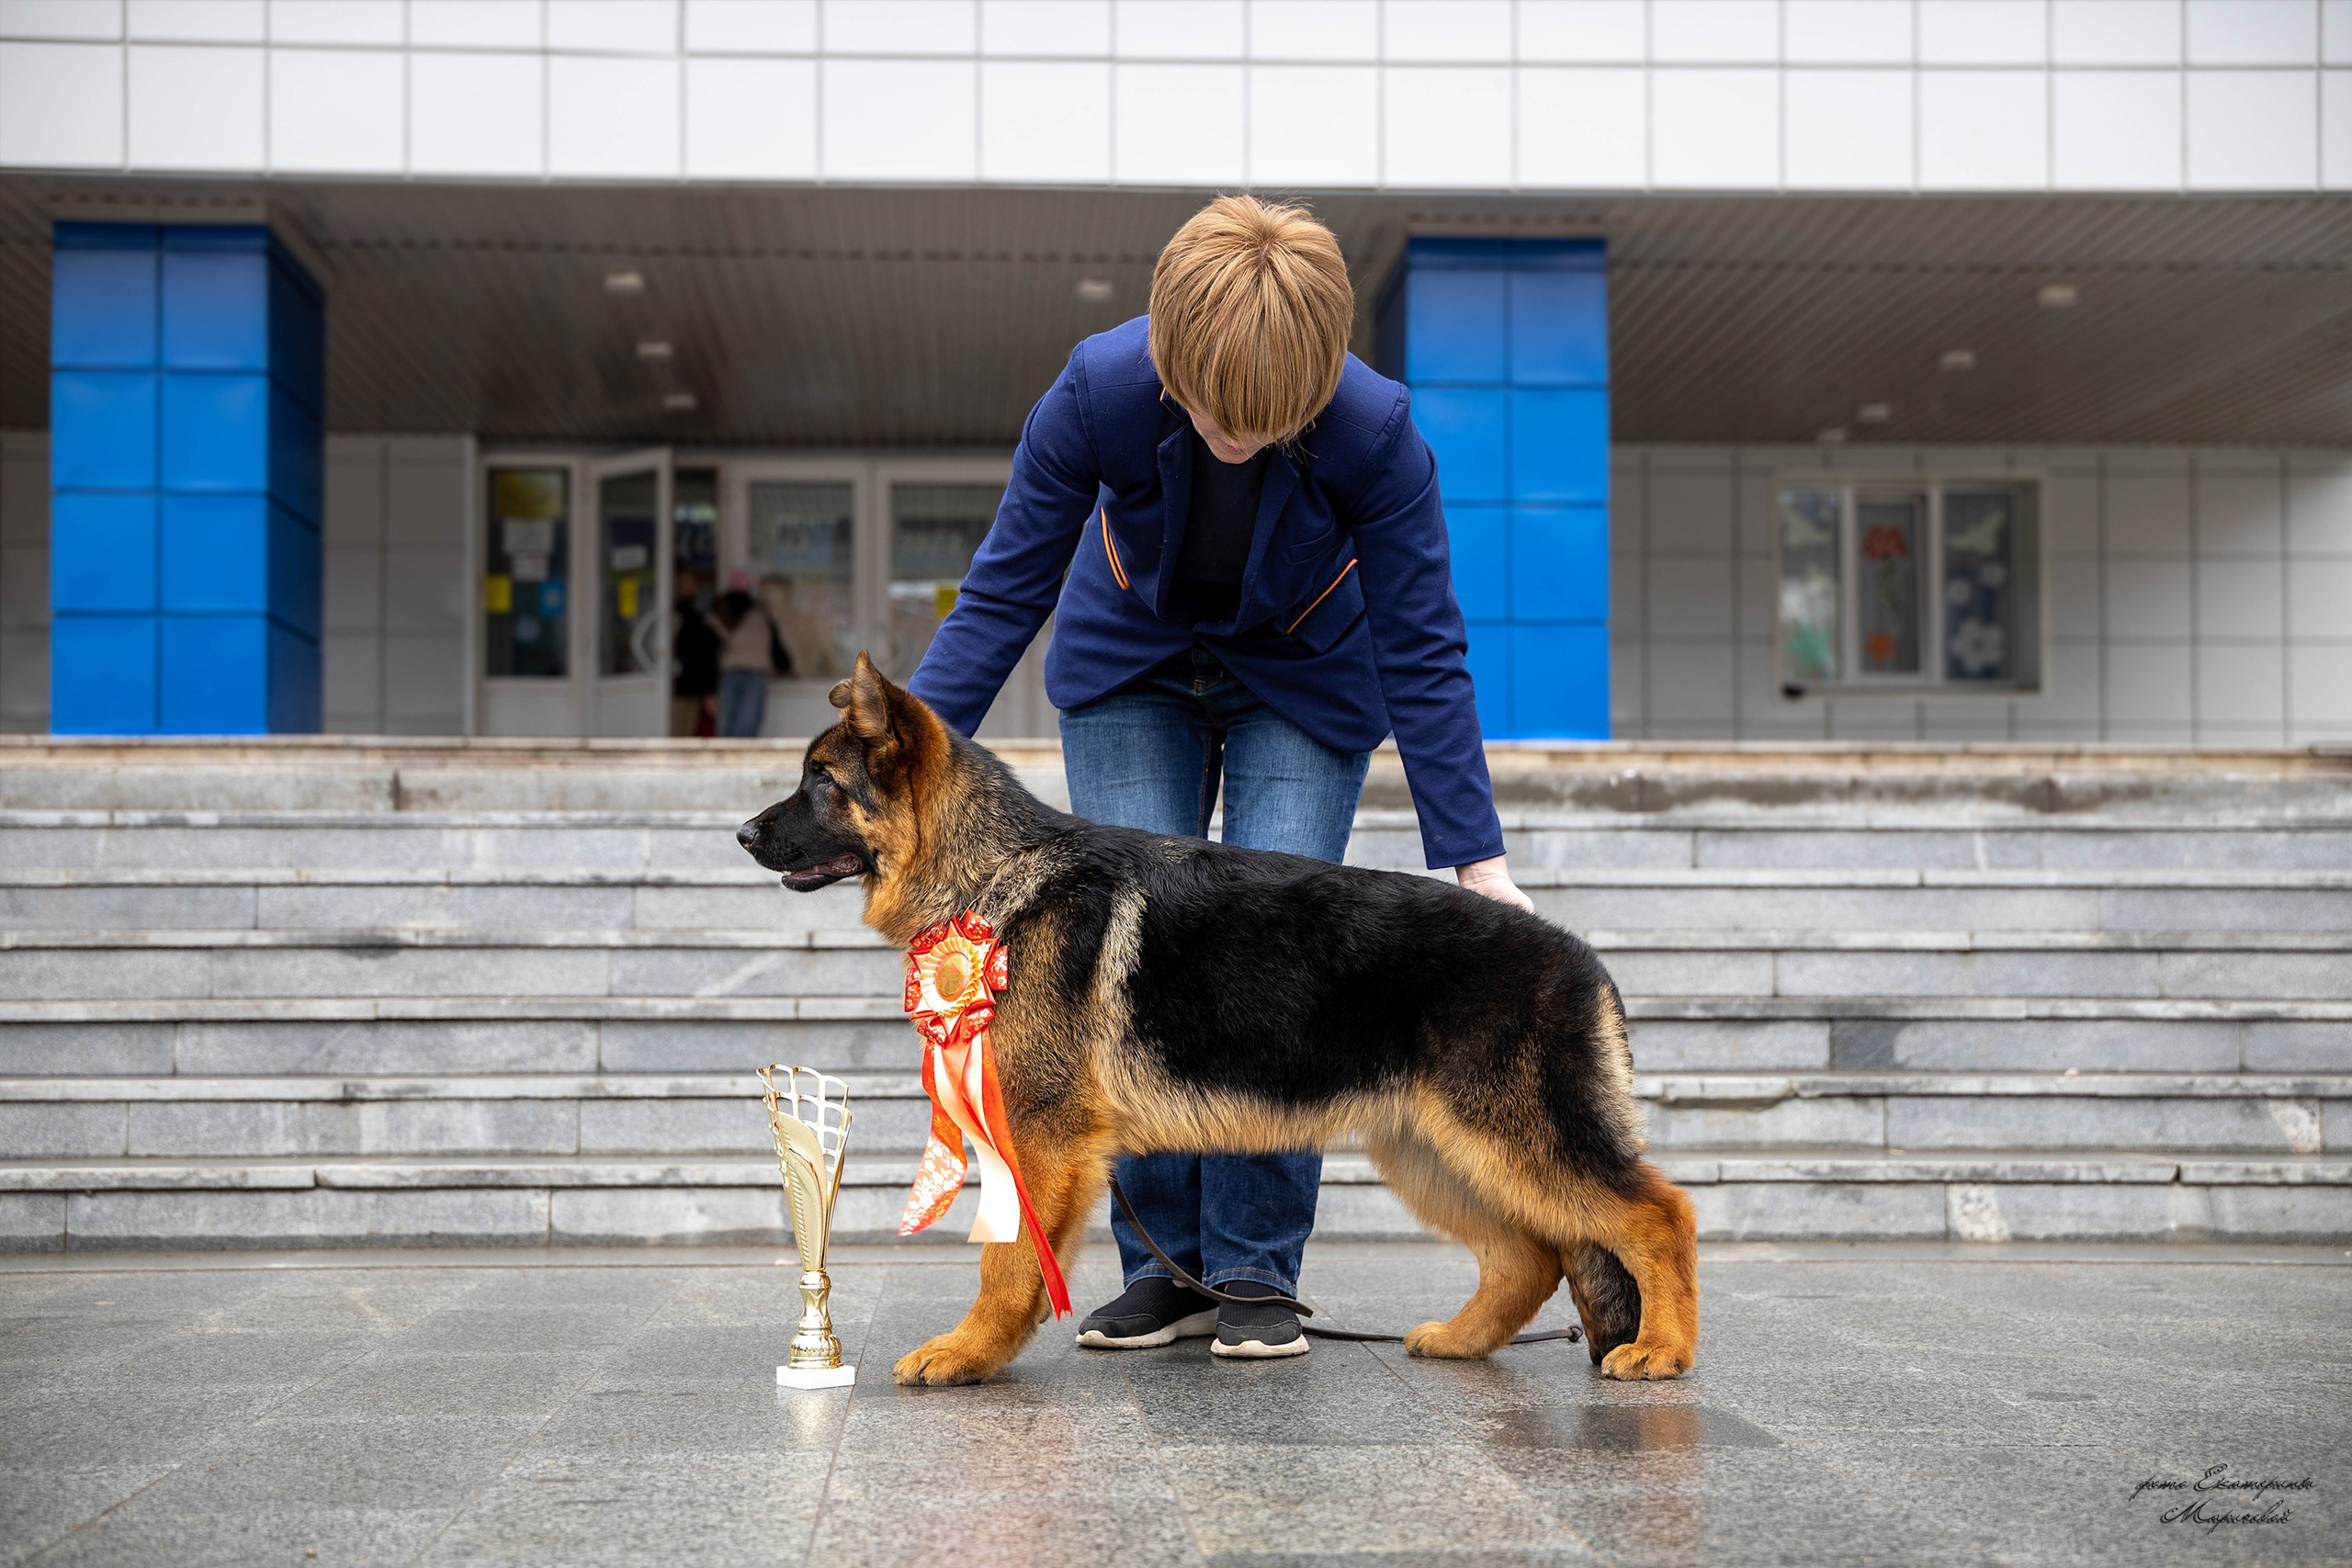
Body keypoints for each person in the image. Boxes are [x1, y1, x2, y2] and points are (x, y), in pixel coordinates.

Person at [907, 195, 1532, 1362]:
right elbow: (1002, 592)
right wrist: (900, 766)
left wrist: (1478, 863)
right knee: (1123, 973)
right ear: (1166, 356)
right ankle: (1165, 1273)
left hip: (1304, 676)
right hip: (1130, 666)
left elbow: (1422, 641)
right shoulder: (1095, 390)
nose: (1232, 438)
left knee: (1277, 962)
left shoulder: (1376, 430)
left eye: (1264, 423)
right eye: (1208, 414)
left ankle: (1255, 1268)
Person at [715, 569, 790, 738]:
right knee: (747, 723)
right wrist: (786, 667)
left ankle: (726, 759)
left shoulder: (720, 613)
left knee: (728, 723)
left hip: (732, 671)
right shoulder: (761, 616)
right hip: (755, 673)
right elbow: (776, 647)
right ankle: (739, 759)